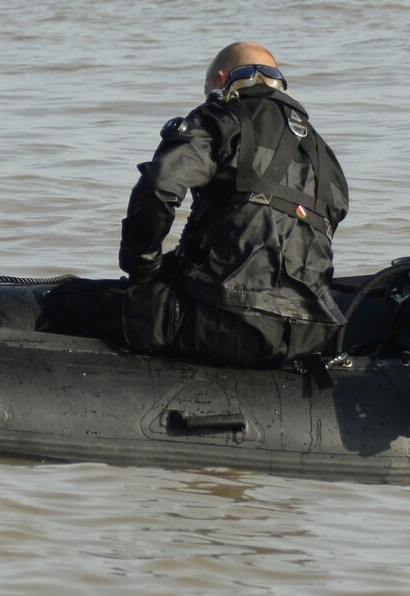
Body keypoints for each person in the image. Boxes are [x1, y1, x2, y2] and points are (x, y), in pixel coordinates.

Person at [41, 42, 349, 368]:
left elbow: (158, 186)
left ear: (219, 79)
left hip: (225, 320)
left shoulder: (221, 117)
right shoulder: (324, 155)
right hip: (308, 335)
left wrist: (142, 267)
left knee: (65, 303)